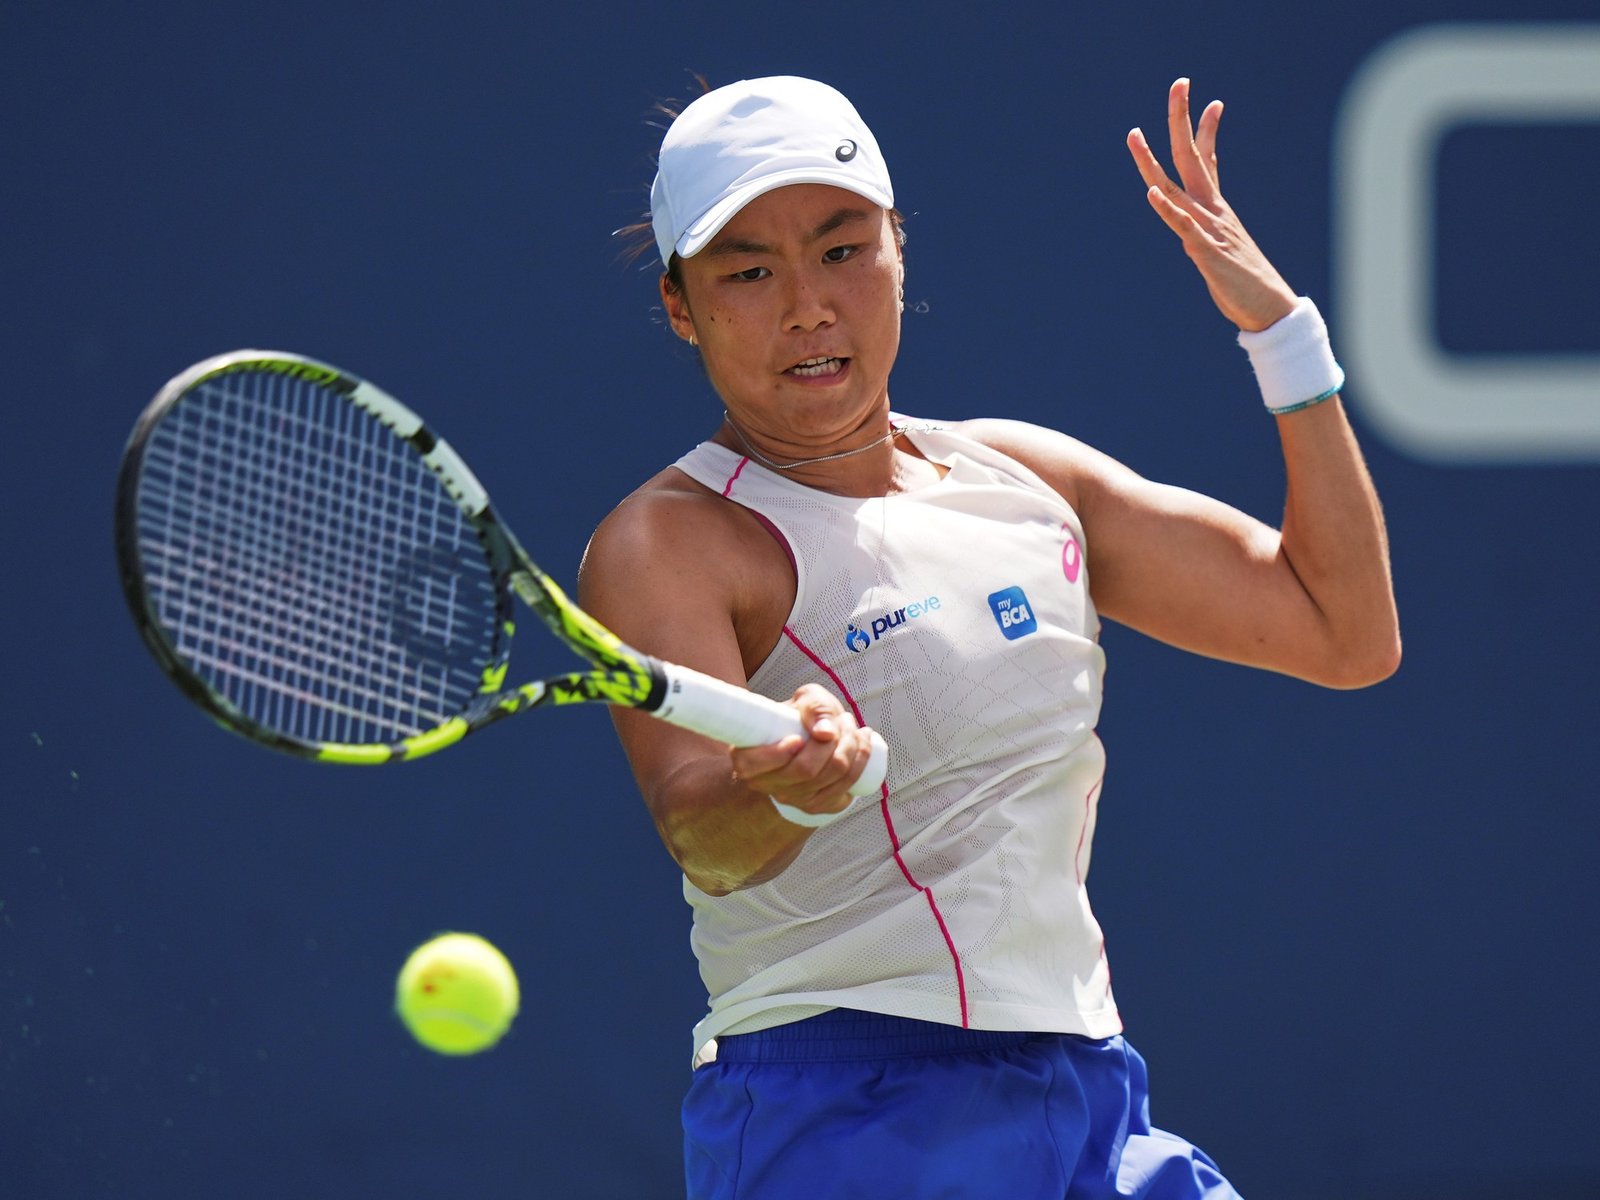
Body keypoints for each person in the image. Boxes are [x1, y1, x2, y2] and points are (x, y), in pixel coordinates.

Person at [580, 75, 1399, 1200]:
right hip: (843, 1120)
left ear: (898, 253)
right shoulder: (667, 543)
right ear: (682, 306)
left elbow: (1342, 632)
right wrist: (778, 787)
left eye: (842, 249)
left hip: (1092, 1096)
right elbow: (700, 835)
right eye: (749, 273)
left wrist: (1282, 336)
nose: (808, 307)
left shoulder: (1025, 480)